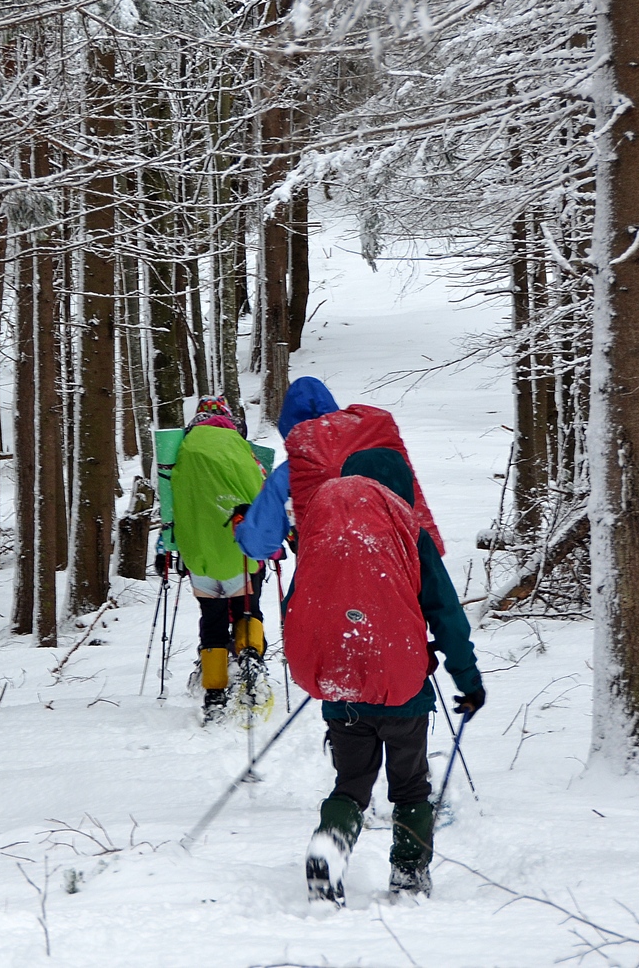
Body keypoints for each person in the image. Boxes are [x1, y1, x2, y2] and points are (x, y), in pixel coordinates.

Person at [283, 448, 483, 904]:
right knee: (410, 785)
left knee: (350, 785)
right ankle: (409, 874)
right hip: (403, 690)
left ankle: (327, 853)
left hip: (341, 688)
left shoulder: (320, 537)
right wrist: (468, 680)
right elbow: (446, 614)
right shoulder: (411, 534)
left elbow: (298, 606)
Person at [233, 377, 444, 564]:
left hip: (330, 579)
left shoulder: (289, 473)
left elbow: (258, 544)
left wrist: (243, 528)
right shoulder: (377, 453)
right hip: (401, 567)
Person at [168, 395, 268, 722]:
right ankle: (251, 661)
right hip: (240, 549)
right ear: (228, 418)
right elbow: (262, 492)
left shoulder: (182, 451)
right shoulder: (241, 449)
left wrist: (167, 548)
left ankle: (214, 695)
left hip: (200, 554)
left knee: (212, 621)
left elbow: (172, 506)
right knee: (246, 611)